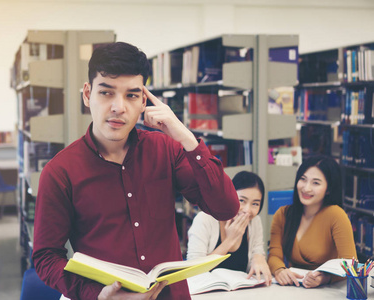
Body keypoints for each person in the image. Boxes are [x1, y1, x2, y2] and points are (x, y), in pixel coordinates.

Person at [31, 41, 240, 300]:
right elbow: (45, 256)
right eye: (106, 93)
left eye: (131, 95)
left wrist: (186, 138)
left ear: (144, 100)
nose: (119, 107)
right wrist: (96, 294)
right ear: (87, 94)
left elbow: (226, 208)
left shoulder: (166, 149)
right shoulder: (61, 171)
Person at [268, 155, 356, 288]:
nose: (306, 188)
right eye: (303, 179)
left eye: (316, 183)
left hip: (328, 291)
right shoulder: (283, 214)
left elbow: (350, 264)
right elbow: (274, 255)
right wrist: (279, 270)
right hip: (294, 288)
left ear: (329, 189)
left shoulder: (336, 215)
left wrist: (325, 278)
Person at [187, 171, 272, 285]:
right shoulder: (205, 219)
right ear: (229, 196)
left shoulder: (254, 222)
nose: (247, 210)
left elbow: (258, 252)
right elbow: (193, 270)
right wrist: (229, 241)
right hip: (207, 292)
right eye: (242, 201)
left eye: (255, 204)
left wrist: (259, 257)